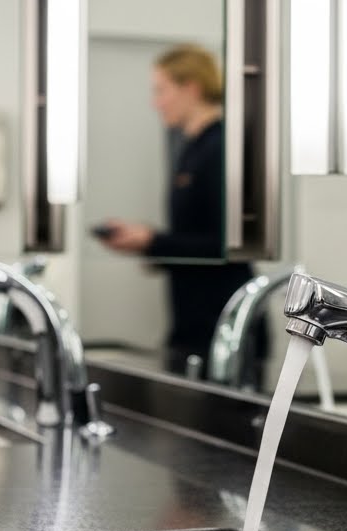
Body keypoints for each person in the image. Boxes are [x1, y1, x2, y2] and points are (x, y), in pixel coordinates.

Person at [97, 45, 264, 375]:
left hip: (222, 324)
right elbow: (193, 235)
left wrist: (153, 241)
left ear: (191, 88)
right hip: (191, 324)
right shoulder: (191, 149)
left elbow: (226, 244)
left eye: (161, 90)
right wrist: (148, 243)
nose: (154, 102)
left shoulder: (220, 148)